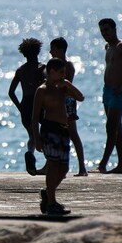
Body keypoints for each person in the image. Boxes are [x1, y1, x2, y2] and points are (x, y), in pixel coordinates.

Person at [32, 58, 84, 215]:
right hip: (50, 129)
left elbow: (80, 97)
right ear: (51, 72)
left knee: (64, 167)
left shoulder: (63, 87)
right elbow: (34, 117)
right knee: (53, 165)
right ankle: (51, 203)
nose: (63, 75)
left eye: (64, 72)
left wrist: (67, 84)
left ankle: (48, 194)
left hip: (63, 130)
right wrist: (37, 139)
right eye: (60, 72)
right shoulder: (42, 90)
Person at [96, 18, 122, 174]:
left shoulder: (121, 46)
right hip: (108, 91)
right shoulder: (108, 47)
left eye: (107, 30)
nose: (105, 33)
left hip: (119, 91)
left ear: (114, 29)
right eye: (102, 31)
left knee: (111, 127)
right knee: (117, 127)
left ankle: (102, 164)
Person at [49, 37, 87, 176]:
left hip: (67, 102)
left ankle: (82, 167)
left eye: (52, 48)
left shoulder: (67, 65)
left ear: (60, 49)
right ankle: (55, 166)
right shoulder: (52, 65)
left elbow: (66, 84)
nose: (50, 51)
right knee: (55, 134)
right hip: (56, 102)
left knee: (72, 133)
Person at [8, 38, 46, 176]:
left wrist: (20, 107)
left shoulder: (21, 70)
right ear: (38, 51)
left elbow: (11, 92)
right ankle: (49, 162)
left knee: (32, 135)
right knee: (45, 133)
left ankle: (30, 152)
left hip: (26, 103)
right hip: (40, 102)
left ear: (24, 54)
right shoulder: (42, 68)